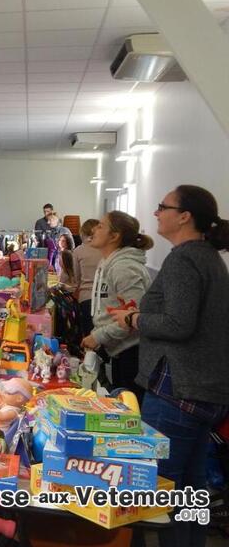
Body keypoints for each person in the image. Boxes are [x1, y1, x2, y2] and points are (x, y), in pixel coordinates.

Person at [109, 186, 229, 547]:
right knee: (190, 488)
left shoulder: (184, 259)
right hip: (202, 387)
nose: (157, 213)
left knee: (161, 490)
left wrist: (135, 319)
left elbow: (179, 324)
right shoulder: (208, 257)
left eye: (164, 207)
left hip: (178, 390)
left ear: (185, 216)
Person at [81, 212, 152, 400]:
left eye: (101, 226)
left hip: (131, 354)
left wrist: (98, 336)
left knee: (128, 408)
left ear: (114, 236)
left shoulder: (124, 268)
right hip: (117, 350)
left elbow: (134, 317)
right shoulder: (108, 263)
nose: (95, 229)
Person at [72, 218, 101, 335]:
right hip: (105, 298)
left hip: (86, 297)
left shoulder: (79, 251)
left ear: (82, 233)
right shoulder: (106, 249)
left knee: (89, 335)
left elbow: (76, 278)